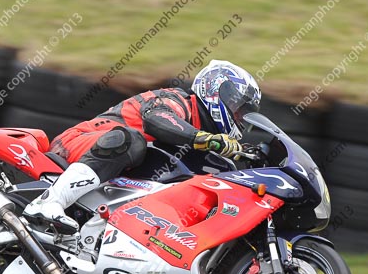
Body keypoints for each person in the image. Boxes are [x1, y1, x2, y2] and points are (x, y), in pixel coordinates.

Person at [23, 59, 262, 233]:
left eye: (244, 114)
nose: (239, 117)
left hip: (116, 171)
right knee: (130, 140)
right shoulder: (179, 101)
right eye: (238, 108)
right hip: (81, 142)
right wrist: (206, 139)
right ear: (215, 89)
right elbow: (156, 120)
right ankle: (49, 202)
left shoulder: (204, 141)